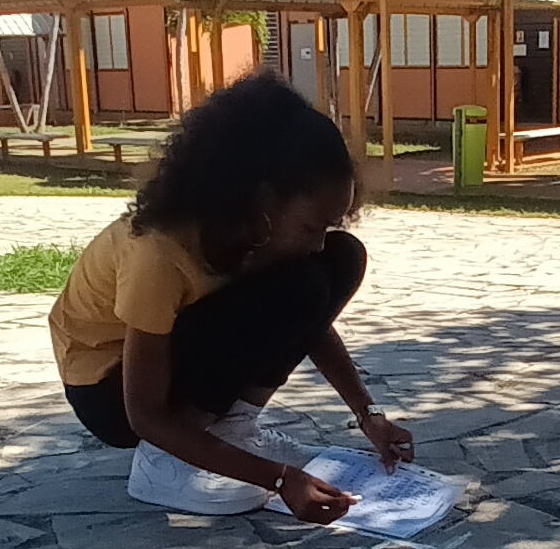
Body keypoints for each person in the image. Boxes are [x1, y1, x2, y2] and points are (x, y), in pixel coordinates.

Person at [48, 75, 414, 522]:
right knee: (302, 285)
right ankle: (163, 465)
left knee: (341, 259)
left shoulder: (249, 231)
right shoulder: (158, 253)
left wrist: (368, 413)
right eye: (310, 226)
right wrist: (278, 479)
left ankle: (232, 430)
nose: (318, 241)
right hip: (108, 393)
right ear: (261, 202)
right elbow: (143, 414)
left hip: (175, 362)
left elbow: (307, 323)